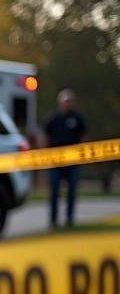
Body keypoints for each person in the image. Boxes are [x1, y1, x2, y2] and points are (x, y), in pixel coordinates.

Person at [42, 89, 87, 228]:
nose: (67, 105)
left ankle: (69, 220)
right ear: (60, 102)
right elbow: (44, 137)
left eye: (69, 102)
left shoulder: (78, 118)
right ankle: (53, 221)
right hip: (55, 161)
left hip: (73, 161)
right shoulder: (52, 118)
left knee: (72, 191)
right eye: (64, 102)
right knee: (54, 191)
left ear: (73, 103)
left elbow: (83, 138)